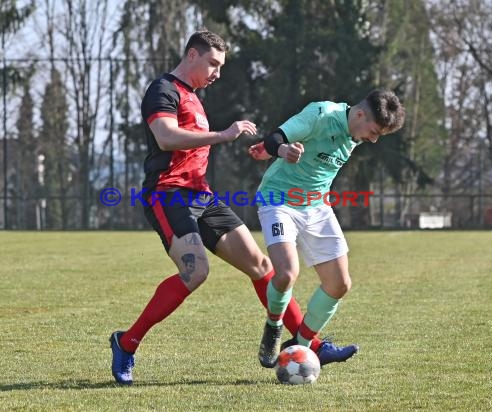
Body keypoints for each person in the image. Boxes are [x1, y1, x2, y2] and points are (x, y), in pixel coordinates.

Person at [109, 29, 339, 385]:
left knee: (262, 265)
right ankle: (126, 343)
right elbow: (166, 137)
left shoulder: (194, 97)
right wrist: (224, 134)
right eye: (213, 63)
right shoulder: (164, 90)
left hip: (202, 196)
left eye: (220, 66)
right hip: (167, 194)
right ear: (191, 55)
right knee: (195, 272)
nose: (216, 73)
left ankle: (313, 344)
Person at [249, 89, 405, 368]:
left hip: (317, 207)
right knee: (286, 274)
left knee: (340, 284)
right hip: (278, 200)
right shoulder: (320, 114)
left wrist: (265, 151)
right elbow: (275, 138)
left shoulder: (355, 131)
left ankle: (301, 346)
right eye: (374, 131)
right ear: (359, 114)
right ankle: (273, 328)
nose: (374, 139)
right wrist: (283, 149)